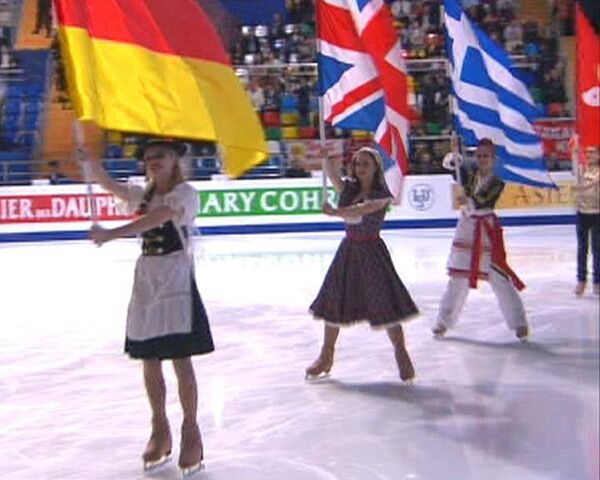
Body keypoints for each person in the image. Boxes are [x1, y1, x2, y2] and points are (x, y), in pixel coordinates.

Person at [86, 138, 214, 476]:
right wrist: (90, 164)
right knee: (149, 358)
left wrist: (112, 234)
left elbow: (160, 217)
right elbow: (111, 185)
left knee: (179, 358)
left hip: (174, 278)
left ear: (175, 160)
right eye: (148, 158)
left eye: (160, 156)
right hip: (147, 279)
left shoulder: (184, 194)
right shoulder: (143, 193)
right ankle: (159, 428)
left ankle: (191, 430)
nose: (153, 161)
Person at [306, 147, 419, 382]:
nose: (360, 168)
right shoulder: (350, 188)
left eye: (365, 164)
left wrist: (336, 212)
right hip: (349, 250)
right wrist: (326, 159)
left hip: (371, 251)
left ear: (376, 167)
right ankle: (326, 355)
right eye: (357, 164)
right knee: (334, 299)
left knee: (385, 301)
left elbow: (363, 210)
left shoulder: (382, 193)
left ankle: (401, 353)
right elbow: (333, 177)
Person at [432, 138, 529, 341]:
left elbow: (481, 201)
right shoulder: (471, 174)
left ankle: (518, 322)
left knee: (498, 277)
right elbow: (451, 166)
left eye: (486, 156)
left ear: (493, 158)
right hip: (467, 228)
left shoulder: (497, 181)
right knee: (458, 277)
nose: (482, 159)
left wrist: (466, 199)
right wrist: (455, 153)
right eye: (479, 155)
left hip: (485, 231)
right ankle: (443, 321)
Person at [572, 142, 600, 296]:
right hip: (582, 213)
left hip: (597, 213)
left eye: (592, 152)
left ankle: (597, 281)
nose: (589, 155)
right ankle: (581, 280)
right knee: (582, 249)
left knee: (597, 249)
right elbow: (575, 164)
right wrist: (575, 150)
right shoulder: (582, 170)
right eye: (587, 152)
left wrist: (583, 188)